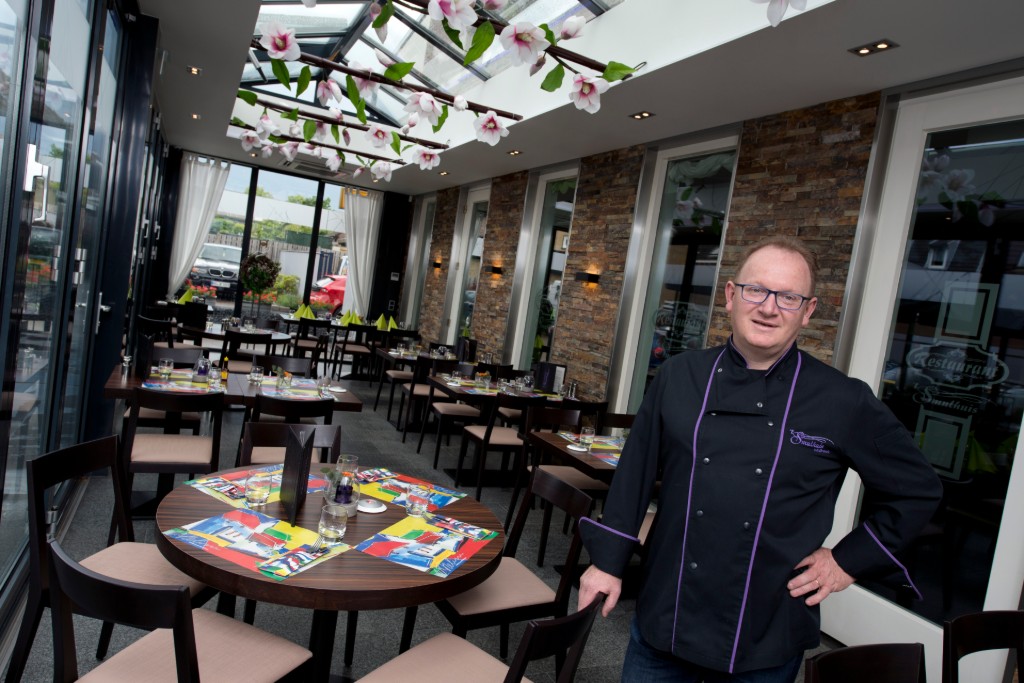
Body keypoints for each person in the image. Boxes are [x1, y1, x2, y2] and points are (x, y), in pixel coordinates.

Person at [577, 236, 942, 682]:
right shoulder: (679, 376)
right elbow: (633, 476)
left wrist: (848, 560)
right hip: (666, 618)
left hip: (765, 633)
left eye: (788, 297)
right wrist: (607, 563)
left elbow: (916, 489)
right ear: (731, 296)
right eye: (756, 290)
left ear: (807, 312)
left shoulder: (842, 400)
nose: (769, 308)